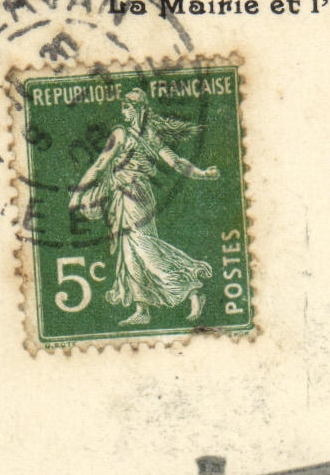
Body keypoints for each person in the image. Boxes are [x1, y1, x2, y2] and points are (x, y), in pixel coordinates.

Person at [68, 87, 219, 326]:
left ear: (138, 109)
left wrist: (202, 174)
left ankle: (191, 287)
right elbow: (102, 164)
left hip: (136, 196)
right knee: (130, 255)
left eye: (128, 107)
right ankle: (142, 309)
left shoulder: (138, 135)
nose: (124, 111)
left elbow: (176, 162)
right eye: (123, 107)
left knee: (145, 250)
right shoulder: (132, 134)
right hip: (123, 196)